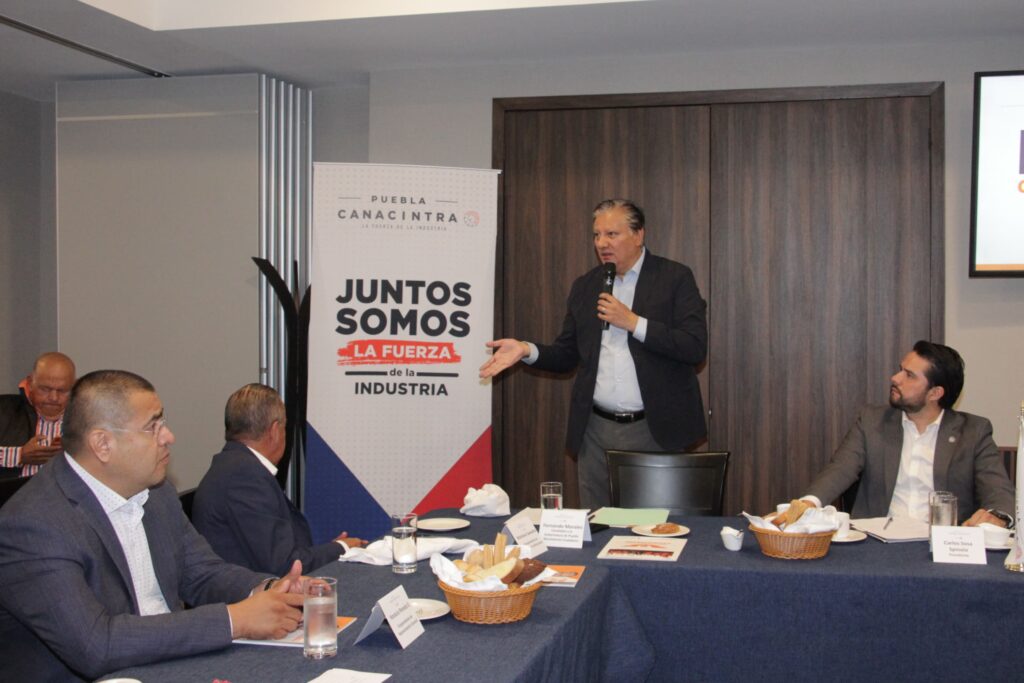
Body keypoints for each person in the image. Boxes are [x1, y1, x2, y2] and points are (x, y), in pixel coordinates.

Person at [0, 370, 306, 682]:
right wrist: (234, 619)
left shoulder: (155, 493)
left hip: (170, 664)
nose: (168, 436)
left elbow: (202, 573)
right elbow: (96, 646)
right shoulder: (34, 524)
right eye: (153, 426)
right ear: (102, 444)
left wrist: (266, 588)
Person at [480, 199, 708, 508]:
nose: (602, 243)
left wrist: (633, 322)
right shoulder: (586, 286)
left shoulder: (674, 278)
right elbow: (566, 355)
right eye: (597, 235)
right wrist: (525, 350)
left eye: (612, 234)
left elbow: (694, 347)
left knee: (654, 531)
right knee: (599, 524)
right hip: (596, 431)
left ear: (638, 235)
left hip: (654, 429)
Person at [802, 340, 1014, 527]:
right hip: (877, 544)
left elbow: (999, 491)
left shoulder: (973, 432)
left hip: (943, 547)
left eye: (909, 375)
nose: (895, 378)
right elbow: (840, 469)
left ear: (935, 393)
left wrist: (997, 516)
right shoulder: (872, 422)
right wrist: (809, 502)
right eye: (900, 370)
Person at [193, 383, 365, 575]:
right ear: (275, 430)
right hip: (250, 600)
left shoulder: (236, 467)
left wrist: (331, 549)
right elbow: (285, 565)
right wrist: (341, 548)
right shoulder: (244, 478)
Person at [0, 351, 76, 478]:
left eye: (62, 391)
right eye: (45, 389)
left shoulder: (86, 418)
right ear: (30, 383)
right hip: (13, 496)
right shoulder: (4, 409)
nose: (54, 397)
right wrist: (18, 455)